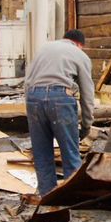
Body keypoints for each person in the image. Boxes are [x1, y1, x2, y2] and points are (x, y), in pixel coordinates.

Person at [24, 29, 94, 196]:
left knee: (42, 154)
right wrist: (86, 124)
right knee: (70, 153)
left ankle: (47, 198)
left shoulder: (44, 49)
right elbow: (87, 92)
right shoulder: (80, 54)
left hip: (33, 97)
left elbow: (27, 81)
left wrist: (32, 107)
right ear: (79, 44)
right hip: (60, 98)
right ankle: (72, 199)